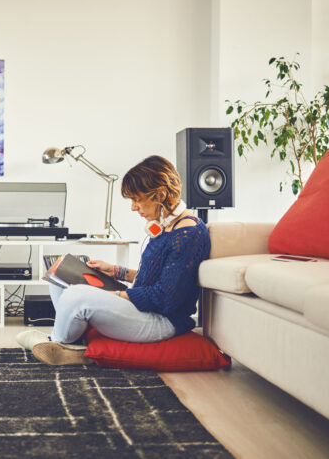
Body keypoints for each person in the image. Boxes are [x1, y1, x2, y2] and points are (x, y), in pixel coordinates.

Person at [17, 155, 211, 365]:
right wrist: (117, 272)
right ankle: (74, 341)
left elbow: (165, 297)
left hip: (161, 320)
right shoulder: (167, 225)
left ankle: (56, 342)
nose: (133, 207)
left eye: (137, 199)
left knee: (75, 295)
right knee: (59, 282)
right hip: (143, 308)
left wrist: (115, 294)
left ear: (160, 195)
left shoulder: (188, 234)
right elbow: (162, 277)